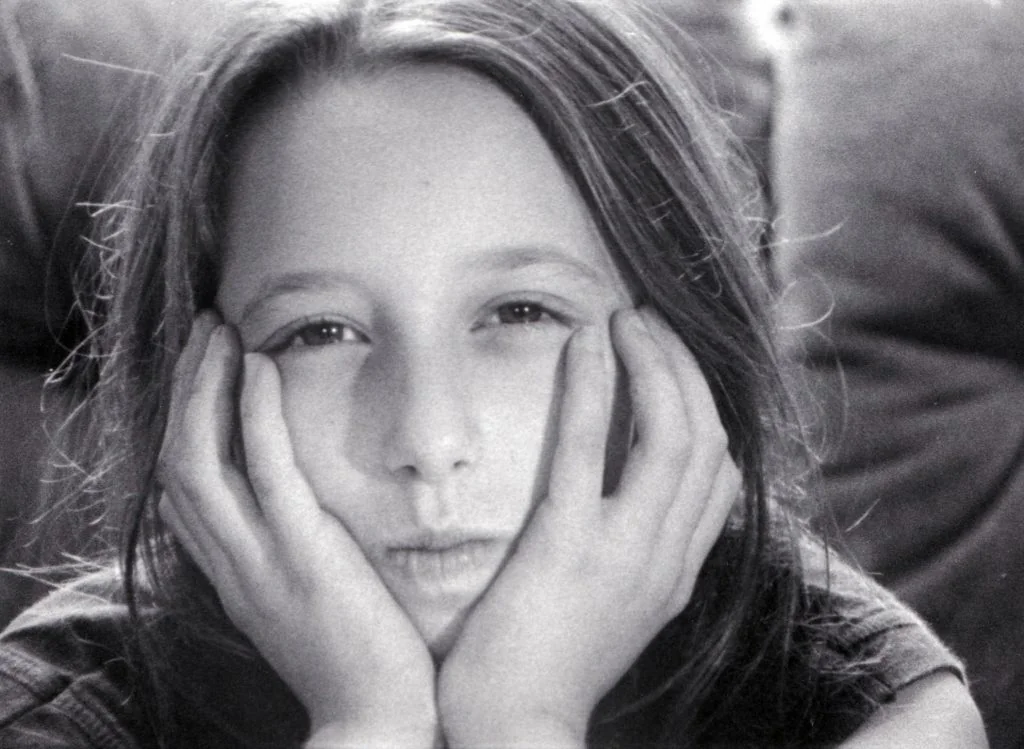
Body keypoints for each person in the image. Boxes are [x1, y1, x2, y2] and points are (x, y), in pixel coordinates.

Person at [0, 0, 987, 747]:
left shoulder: (875, 710)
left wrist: (522, 719)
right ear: (197, 389)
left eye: (519, 313)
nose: (428, 441)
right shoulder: (49, 709)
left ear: (683, 344)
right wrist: (367, 722)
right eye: (320, 331)